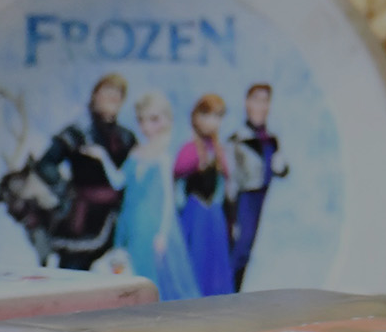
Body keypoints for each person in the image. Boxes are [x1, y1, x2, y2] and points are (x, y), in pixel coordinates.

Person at [37, 73, 137, 269]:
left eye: (118, 93)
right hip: (83, 222)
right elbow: (46, 164)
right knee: (74, 272)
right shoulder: (78, 133)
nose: (112, 97)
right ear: (95, 95)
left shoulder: (126, 137)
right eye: (107, 91)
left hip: (118, 221)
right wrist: (65, 192)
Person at [111, 88, 200, 302]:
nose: (146, 126)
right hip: (130, 220)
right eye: (142, 120)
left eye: (153, 119)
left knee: (151, 274)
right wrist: (101, 157)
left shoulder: (163, 157)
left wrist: (163, 233)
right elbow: (118, 180)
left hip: (151, 224)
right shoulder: (136, 152)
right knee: (128, 270)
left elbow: (169, 200)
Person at [224, 83, 287, 291]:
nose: (261, 106)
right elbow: (230, 180)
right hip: (243, 201)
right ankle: (229, 294)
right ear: (247, 103)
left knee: (252, 252)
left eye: (265, 101)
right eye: (257, 100)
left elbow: (280, 168)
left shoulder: (271, 140)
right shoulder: (237, 140)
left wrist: (281, 167)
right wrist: (232, 214)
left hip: (264, 200)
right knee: (239, 251)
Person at [173, 93, 234, 298]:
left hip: (214, 215)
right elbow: (176, 179)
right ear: (196, 117)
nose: (212, 121)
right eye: (206, 115)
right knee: (195, 259)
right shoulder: (189, 150)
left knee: (216, 264)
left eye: (217, 116)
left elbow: (226, 183)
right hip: (194, 213)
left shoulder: (219, 150)